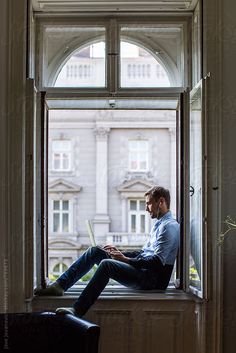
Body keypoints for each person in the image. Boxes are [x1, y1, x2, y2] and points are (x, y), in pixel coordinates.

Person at [34, 186, 180, 317]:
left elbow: (157, 262)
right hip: (144, 272)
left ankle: (78, 310)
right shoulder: (159, 225)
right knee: (96, 251)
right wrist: (119, 253)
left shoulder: (169, 227)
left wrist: (124, 260)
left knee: (106, 264)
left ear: (161, 201)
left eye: (148, 203)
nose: (146, 209)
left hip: (152, 280)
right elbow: (143, 254)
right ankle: (60, 286)